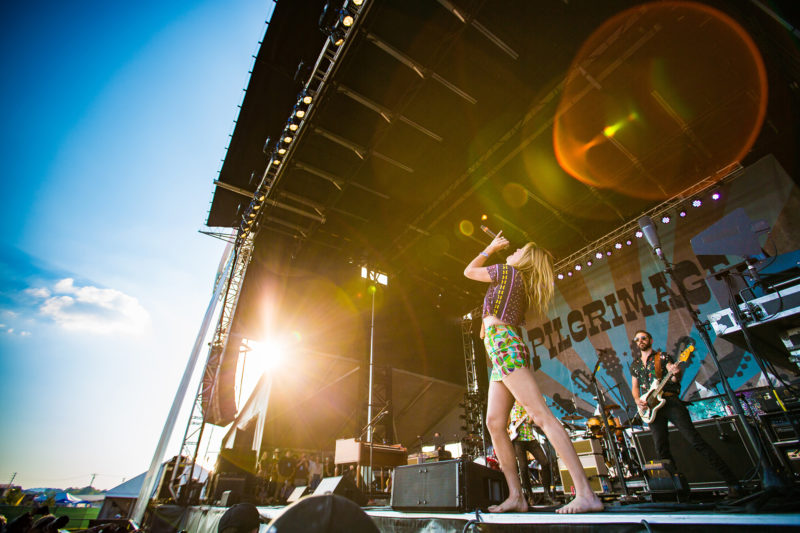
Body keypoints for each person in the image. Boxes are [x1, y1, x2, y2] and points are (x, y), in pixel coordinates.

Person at [464, 231, 603, 513]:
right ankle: (517, 496)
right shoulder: (518, 283)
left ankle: (586, 494)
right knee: (494, 423)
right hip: (500, 347)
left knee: (542, 416)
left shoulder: (506, 271)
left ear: (524, 258)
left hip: (504, 346)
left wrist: (490, 248)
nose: (511, 252)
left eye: (517, 251)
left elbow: (469, 271)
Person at [630, 330, 741, 496]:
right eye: (637, 339)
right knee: (661, 450)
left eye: (643, 338)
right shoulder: (635, 365)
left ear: (650, 340)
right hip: (651, 409)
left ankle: (732, 483)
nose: (640, 341)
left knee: (695, 440)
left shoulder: (663, 357)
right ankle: (678, 490)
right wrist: (638, 400)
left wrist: (676, 373)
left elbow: (674, 378)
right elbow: (635, 387)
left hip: (670, 402)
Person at [508, 401, 553, 505]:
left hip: (530, 438)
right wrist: (509, 430)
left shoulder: (528, 405)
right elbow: (508, 423)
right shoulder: (511, 406)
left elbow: (531, 422)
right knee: (523, 468)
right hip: (518, 441)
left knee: (545, 463)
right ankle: (530, 496)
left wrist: (532, 417)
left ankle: (547, 494)